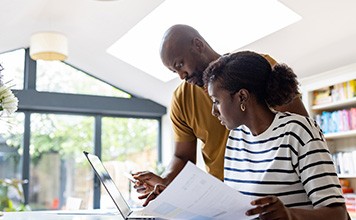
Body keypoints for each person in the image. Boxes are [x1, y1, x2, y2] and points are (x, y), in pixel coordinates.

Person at [132, 24, 309, 197]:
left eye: (180, 64)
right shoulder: (181, 99)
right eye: (174, 71)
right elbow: (183, 157)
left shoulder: (257, 69)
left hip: (275, 189)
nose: (181, 76)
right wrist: (164, 181)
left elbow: (302, 128)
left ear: (198, 45)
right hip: (224, 199)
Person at [200, 51, 347, 219]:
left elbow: (338, 214)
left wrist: (290, 215)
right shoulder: (235, 138)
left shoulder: (298, 131)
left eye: (216, 101)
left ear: (242, 96)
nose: (214, 111)